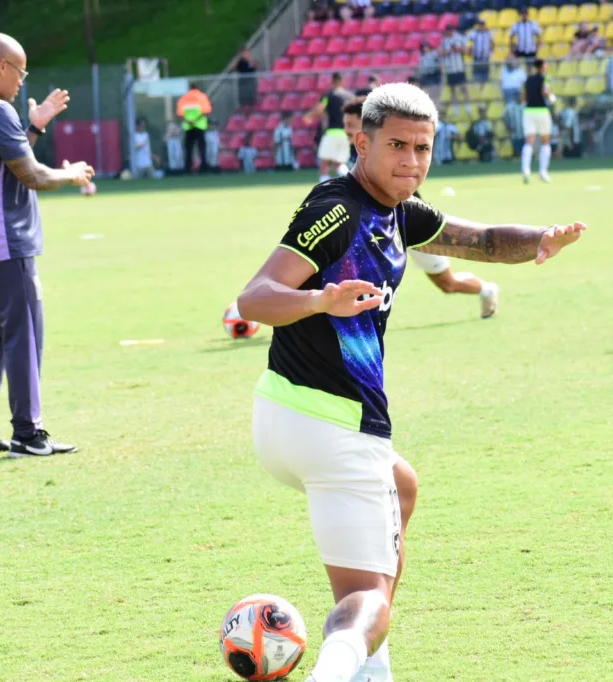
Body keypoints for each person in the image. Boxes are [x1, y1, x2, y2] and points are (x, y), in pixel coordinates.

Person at [236, 83, 584, 682]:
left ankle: (372, 667)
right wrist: (323, 299)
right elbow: (254, 298)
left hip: (289, 419)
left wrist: (541, 241)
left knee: (404, 487)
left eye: (423, 148)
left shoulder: (399, 210)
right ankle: (340, 665)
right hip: (334, 428)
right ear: (361, 141)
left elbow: (481, 240)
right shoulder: (337, 207)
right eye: (397, 145)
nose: (412, 161)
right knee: (367, 604)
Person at [0, 33, 93, 456]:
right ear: (0, 65)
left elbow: (5, 162)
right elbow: (31, 176)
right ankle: (28, 433)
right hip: (3, 237)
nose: (22, 83)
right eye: (20, 71)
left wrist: (34, 125)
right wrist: (73, 174)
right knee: (24, 331)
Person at [342, 96, 500, 319]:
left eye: (350, 124)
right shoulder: (356, 152)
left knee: (447, 283)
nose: (346, 130)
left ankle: (486, 289)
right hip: (379, 229)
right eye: (345, 125)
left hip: (412, 226)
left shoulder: (390, 148)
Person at [304, 72, 353, 182]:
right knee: (338, 163)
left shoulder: (328, 96)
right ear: (342, 81)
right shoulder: (350, 96)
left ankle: (324, 189)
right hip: (346, 133)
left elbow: (319, 109)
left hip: (333, 133)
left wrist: (309, 117)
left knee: (325, 163)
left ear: (332, 81)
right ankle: (353, 184)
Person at [521, 59, 555, 184]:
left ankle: (525, 170)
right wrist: (551, 98)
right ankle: (543, 172)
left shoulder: (528, 79)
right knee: (545, 141)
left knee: (529, 141)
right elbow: (545, 92)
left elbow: (523, 96)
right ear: (542, 67)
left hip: (528, 112)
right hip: (541, 111)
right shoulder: (546, 78)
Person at [177, 81, 213, 174]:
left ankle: (188, 168)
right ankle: (203, 167)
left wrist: (189, 121)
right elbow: (206, 111)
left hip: (188, 126)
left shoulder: (184, 98)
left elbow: (180, 113)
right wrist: (196, 120)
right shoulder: (202, 96)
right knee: (202, 148)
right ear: (197, 87)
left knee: (189, 149)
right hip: (199, 126)